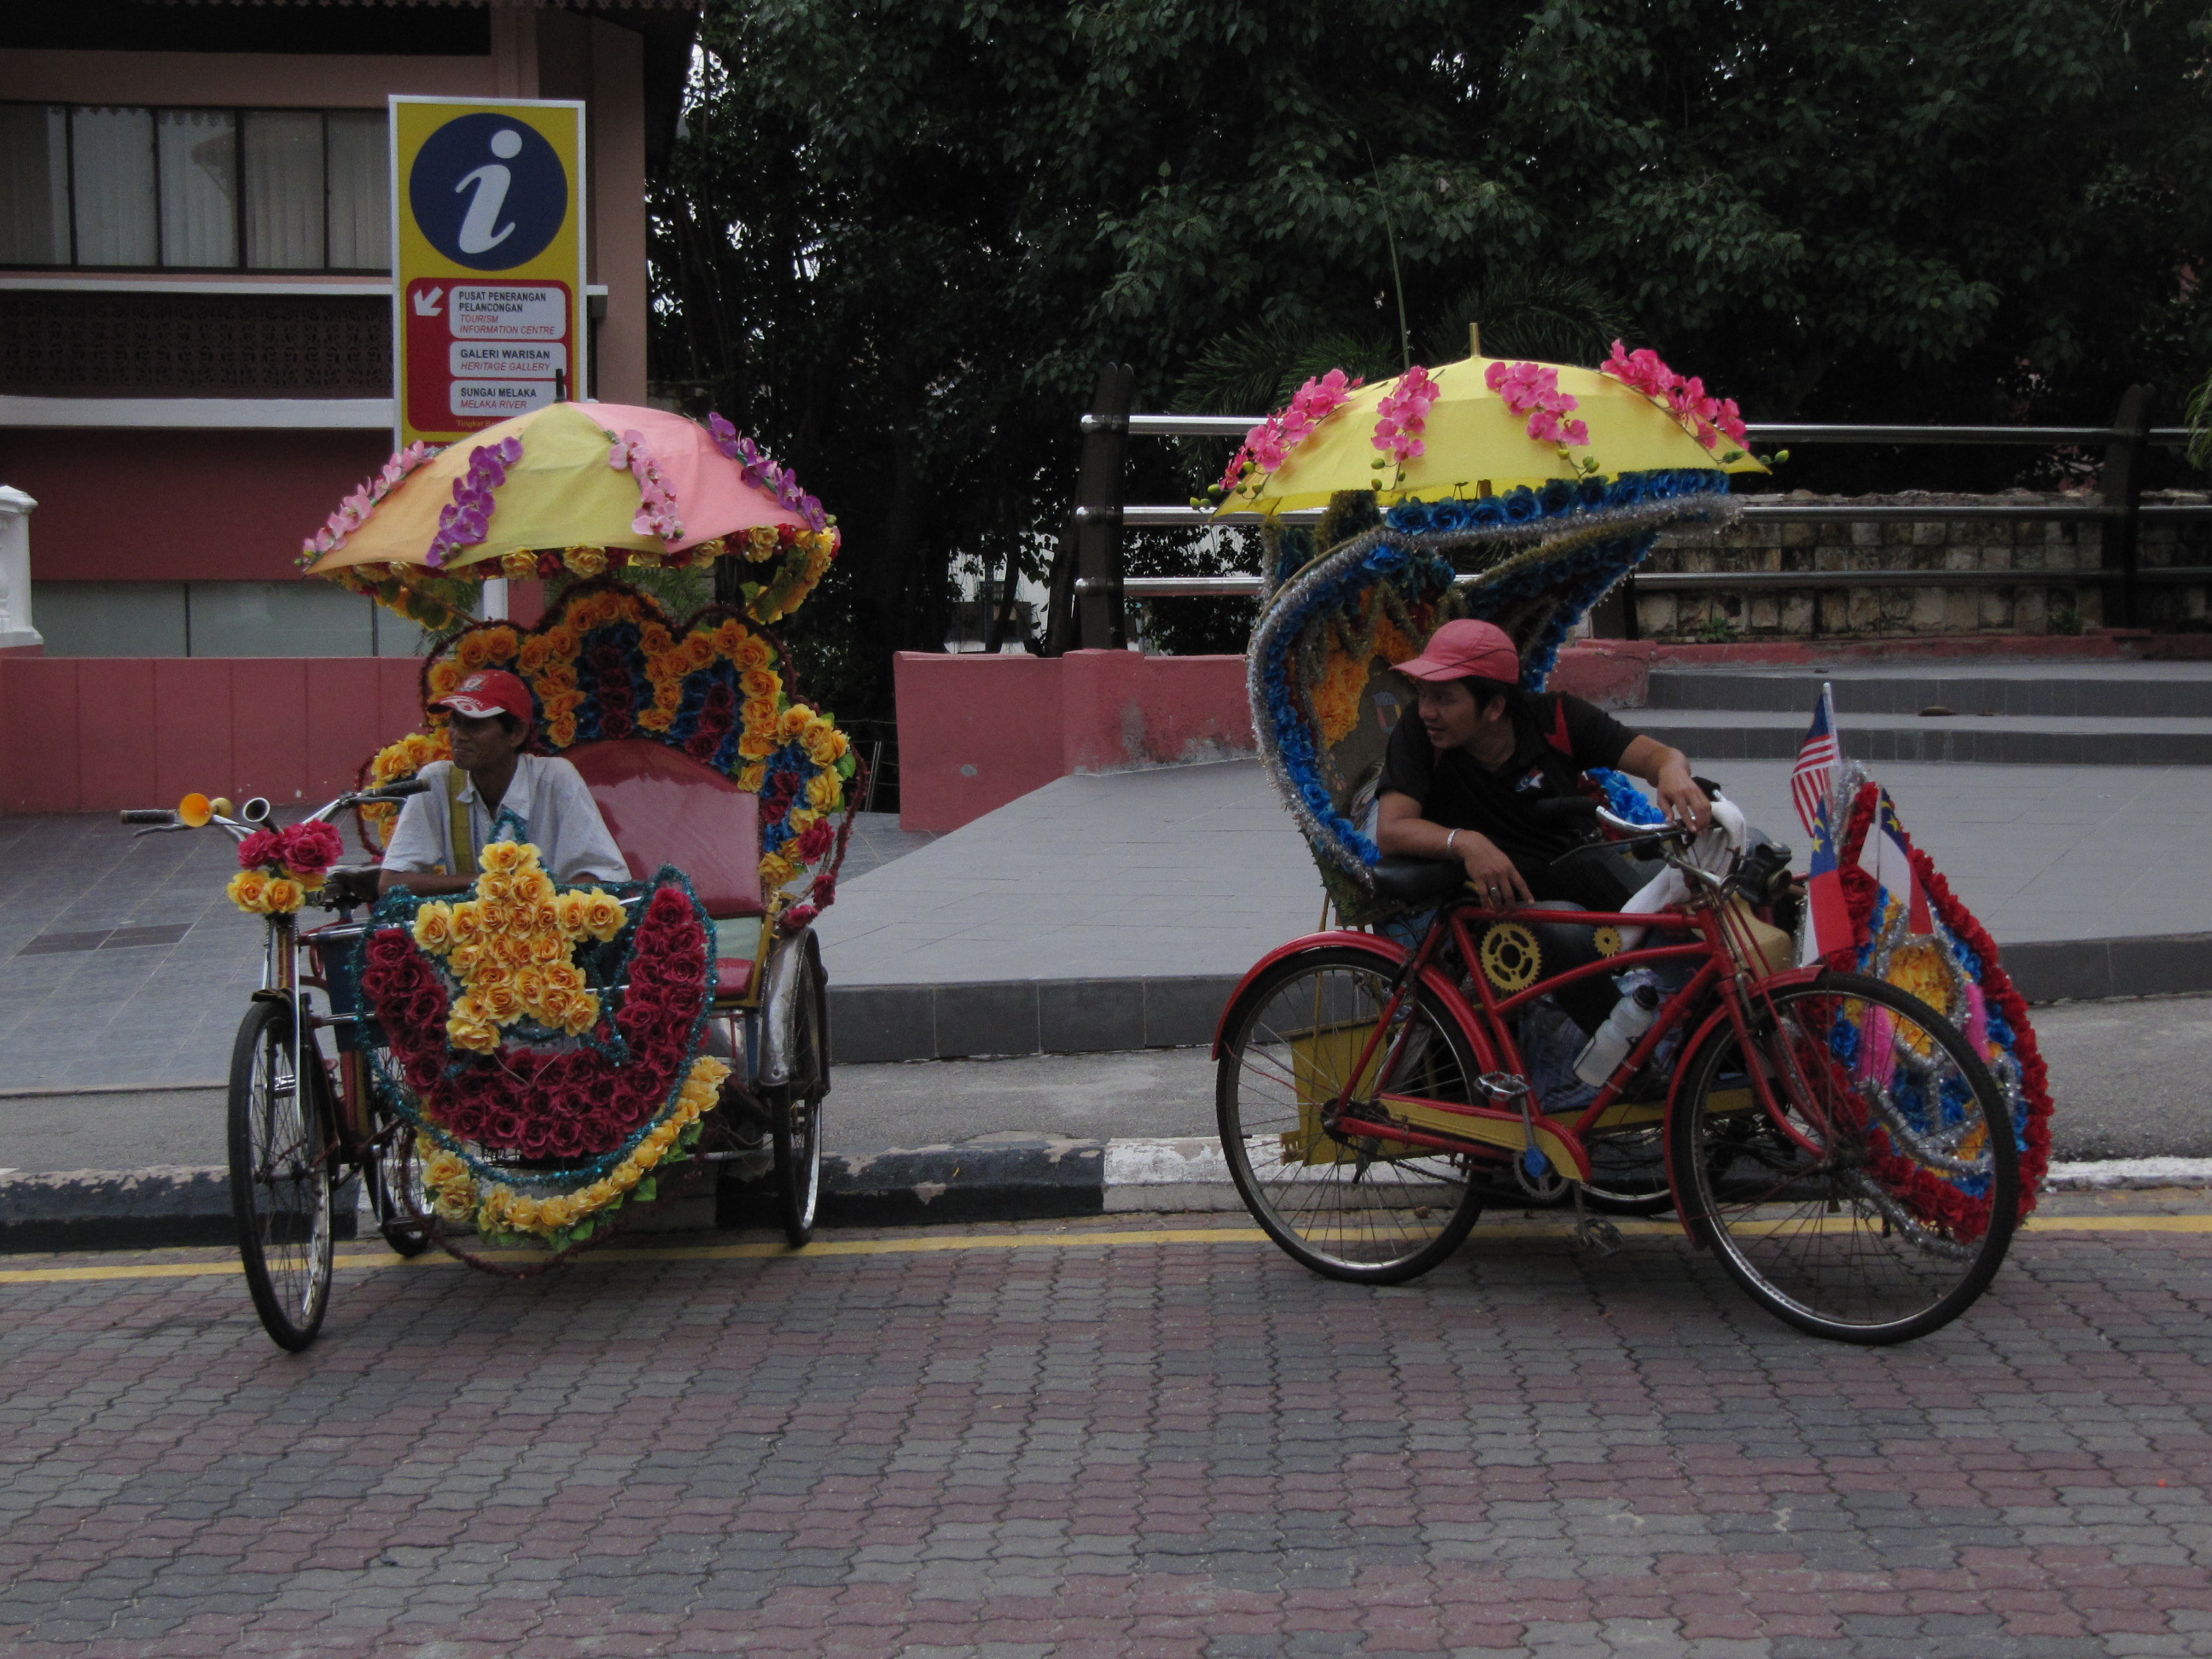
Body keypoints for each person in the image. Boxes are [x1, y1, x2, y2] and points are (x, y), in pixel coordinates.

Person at [1375, 618, 1710, 1033]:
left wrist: (1673, 773)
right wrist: (1465, 842)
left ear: (1494, 707)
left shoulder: (1557, 719)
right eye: (1424, 693)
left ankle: (1713, 1027)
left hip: (1580, 871)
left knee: (1691, 891)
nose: (1428, 710)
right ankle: (1631, 1060)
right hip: (1492, 905)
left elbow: (1658, 757)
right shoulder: (1419, 733)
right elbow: (1393, 829)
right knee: (1565, 930)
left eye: (1443, 698)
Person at [379, 668, 630, 897]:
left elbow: (606, 878)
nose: (458, 736)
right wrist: (490, 883)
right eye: (455, 722)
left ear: (517, 733)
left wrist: (537, 902)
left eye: (475, 724)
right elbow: (391, 883)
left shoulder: (555, 778)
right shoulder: (437, 781)